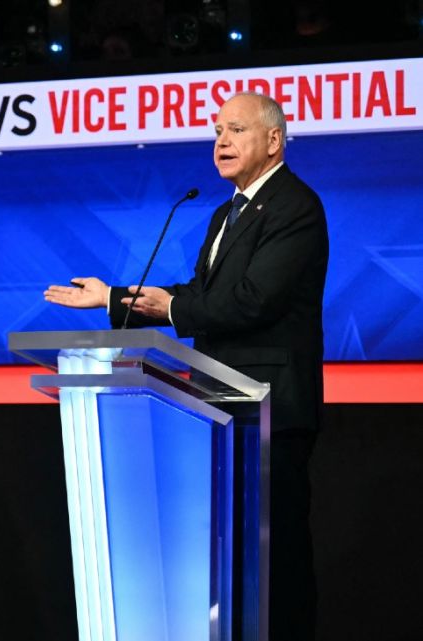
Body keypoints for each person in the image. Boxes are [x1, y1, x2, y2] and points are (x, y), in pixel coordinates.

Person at [44, 92, 327, 641]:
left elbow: (251, 302)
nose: (221, 140)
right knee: (234, 563)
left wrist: (169, 307)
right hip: (219, 406)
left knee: (278, 562)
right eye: (217, 129)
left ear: (273, 141)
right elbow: (201, 294)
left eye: (236, 129)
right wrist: (113, 298)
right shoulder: (226, 211)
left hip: (270, 409)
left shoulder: (295, 206)